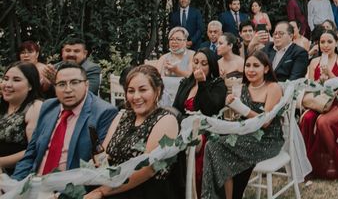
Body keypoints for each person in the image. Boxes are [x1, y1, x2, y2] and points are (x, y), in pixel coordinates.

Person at [84, 65, 182, 199]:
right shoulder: (122, 116)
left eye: (143, 90)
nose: (136, 97)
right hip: (111, 184)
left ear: (157, 91)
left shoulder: (167, 120)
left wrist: (101, 191)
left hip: (144, 190)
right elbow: (104, 153)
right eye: (131, 91)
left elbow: (148, 169)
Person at [12, 62, 118, 180]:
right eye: (61, 84)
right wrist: (14, 185)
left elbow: (98, 166)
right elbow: (31, 154)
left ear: (86, 85)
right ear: (55, 87)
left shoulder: (103, 113)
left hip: (70, 188)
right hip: (34, 183)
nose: (68, 89)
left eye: (74, 82)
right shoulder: (48, 107)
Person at [202, 50, 283, 199]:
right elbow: (237, 119)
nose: (250, 70)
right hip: (244, 135)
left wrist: (241, 108)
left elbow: (265, 122)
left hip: (267, 139)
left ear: (266, 69)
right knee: (212, 143)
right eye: (248, 66)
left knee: (217, 148)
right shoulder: (242, 87)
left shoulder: (273, 88)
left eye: (256, 66)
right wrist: (230, 106)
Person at [299, 30, 338, 179]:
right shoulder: (314, 62)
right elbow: (311, 86)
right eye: (322, 42)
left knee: (323, 122)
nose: (325, 45)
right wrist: (319, 81)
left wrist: (330, 74)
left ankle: (334, 159)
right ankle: (309, 163)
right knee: (307, 119)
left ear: (336, 43)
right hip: (320, 101)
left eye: (329, 42)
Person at [173, 49, 226, 197]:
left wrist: (202, 84)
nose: (198, 67)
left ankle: (195, 191)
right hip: (182, 126)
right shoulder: (186, 82)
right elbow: (176, 107)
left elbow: (210, 109)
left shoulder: (217, 84)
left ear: (211, 66)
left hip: (205, 129)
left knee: (193, 141)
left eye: (204, 63)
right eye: (196, 62)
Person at [0, 62, 43, 176]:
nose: (8, 84)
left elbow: (33, 151)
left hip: (17, 175)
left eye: (16, 80)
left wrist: (1, 162)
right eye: (6, 79)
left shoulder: (35, 107)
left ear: (30, 85)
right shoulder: (3, 105)